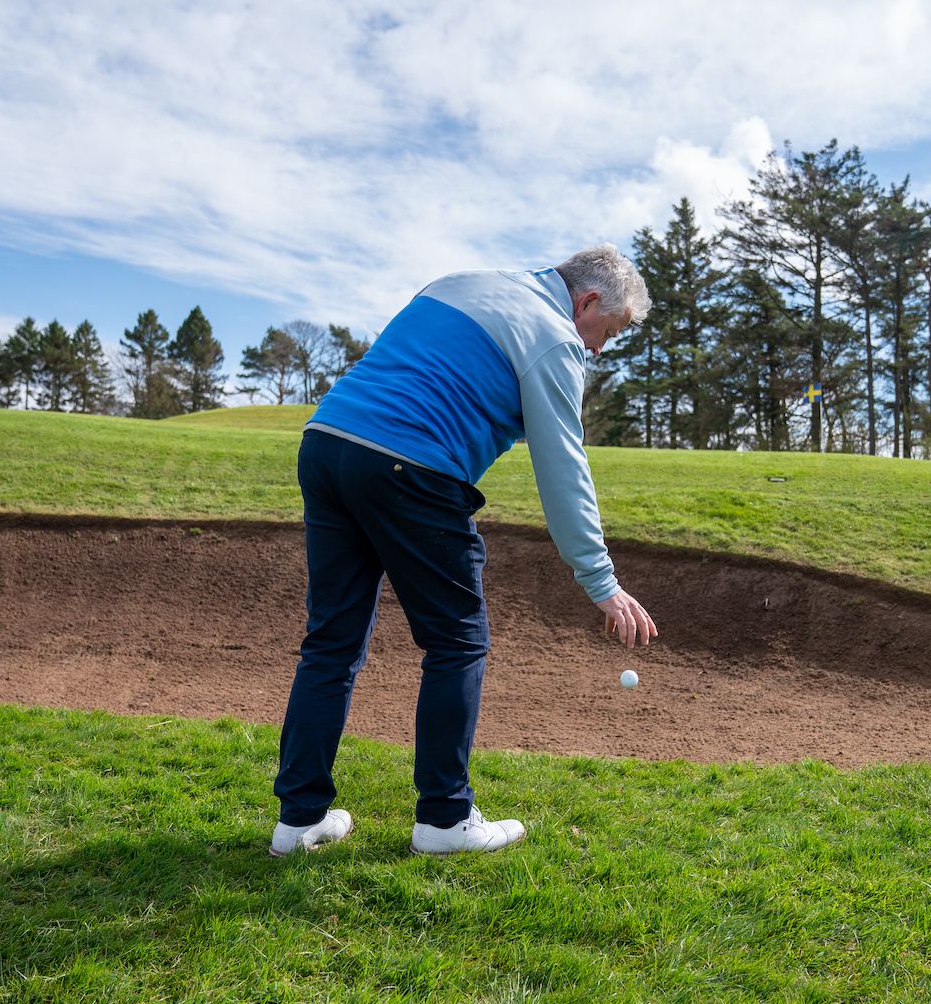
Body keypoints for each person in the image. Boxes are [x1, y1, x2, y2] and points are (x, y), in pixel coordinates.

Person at [269, 244, 659, 858]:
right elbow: (563, 468)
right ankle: (445, 820)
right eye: (605, 333)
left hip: (326, 444)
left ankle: (298, 823)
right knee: (457, 641)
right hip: (410, 466)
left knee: (332, 641)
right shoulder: (556, 336)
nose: (597, 351)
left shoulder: (460, 282)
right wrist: (601, 580)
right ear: (586, 302)